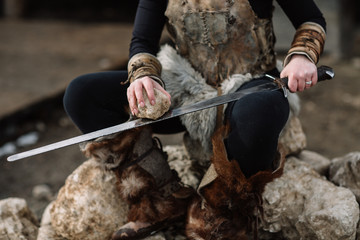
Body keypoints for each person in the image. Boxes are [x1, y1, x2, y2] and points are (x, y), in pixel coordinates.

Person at [63, 0, 326, 239]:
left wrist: (302, 55)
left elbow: (311, 20)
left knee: (259, 114)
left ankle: (219, 212)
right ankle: (161, 199)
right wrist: (143, 75)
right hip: (188, 89)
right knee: (82, 95)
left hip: (251, 87)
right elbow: (142, 41)